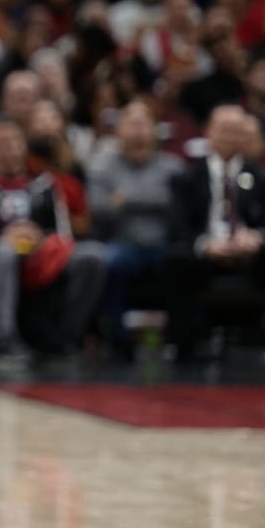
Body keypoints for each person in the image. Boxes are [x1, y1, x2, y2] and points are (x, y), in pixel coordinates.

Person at [0, 116, 108, 368]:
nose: (8, 148)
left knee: (92, 256)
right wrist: (5, 236)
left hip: (39, 248)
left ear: (24, 147)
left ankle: (64, 341)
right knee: (4, 252)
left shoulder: (45, 186)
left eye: (14, 141)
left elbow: (63, 235)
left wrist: (39, 237)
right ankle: (5, 341)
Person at [168, 105, 265, 356]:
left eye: (236, 130)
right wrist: (205, 244)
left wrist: (256, 237)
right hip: (205, 252)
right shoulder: (186, 179)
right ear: (208, 132)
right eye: (223, 130)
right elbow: (177, 229)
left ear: (246, 135)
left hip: (250, 253)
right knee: (177, 256)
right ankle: (182, 344)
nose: (229, 136)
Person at [87, 100, 185, 354]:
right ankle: (116, 338)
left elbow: (177, 205)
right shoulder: (103, 166)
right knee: (109, 262)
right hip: (121, 242)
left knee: (185, 260)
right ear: (118, 130)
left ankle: (183, 338)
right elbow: (98, 208)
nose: (138, 130)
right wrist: (153, 199)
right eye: (131, 123)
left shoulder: (173, 165)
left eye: (144, 123)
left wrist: (125, 199)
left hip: (164, 243)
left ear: (155, 130)